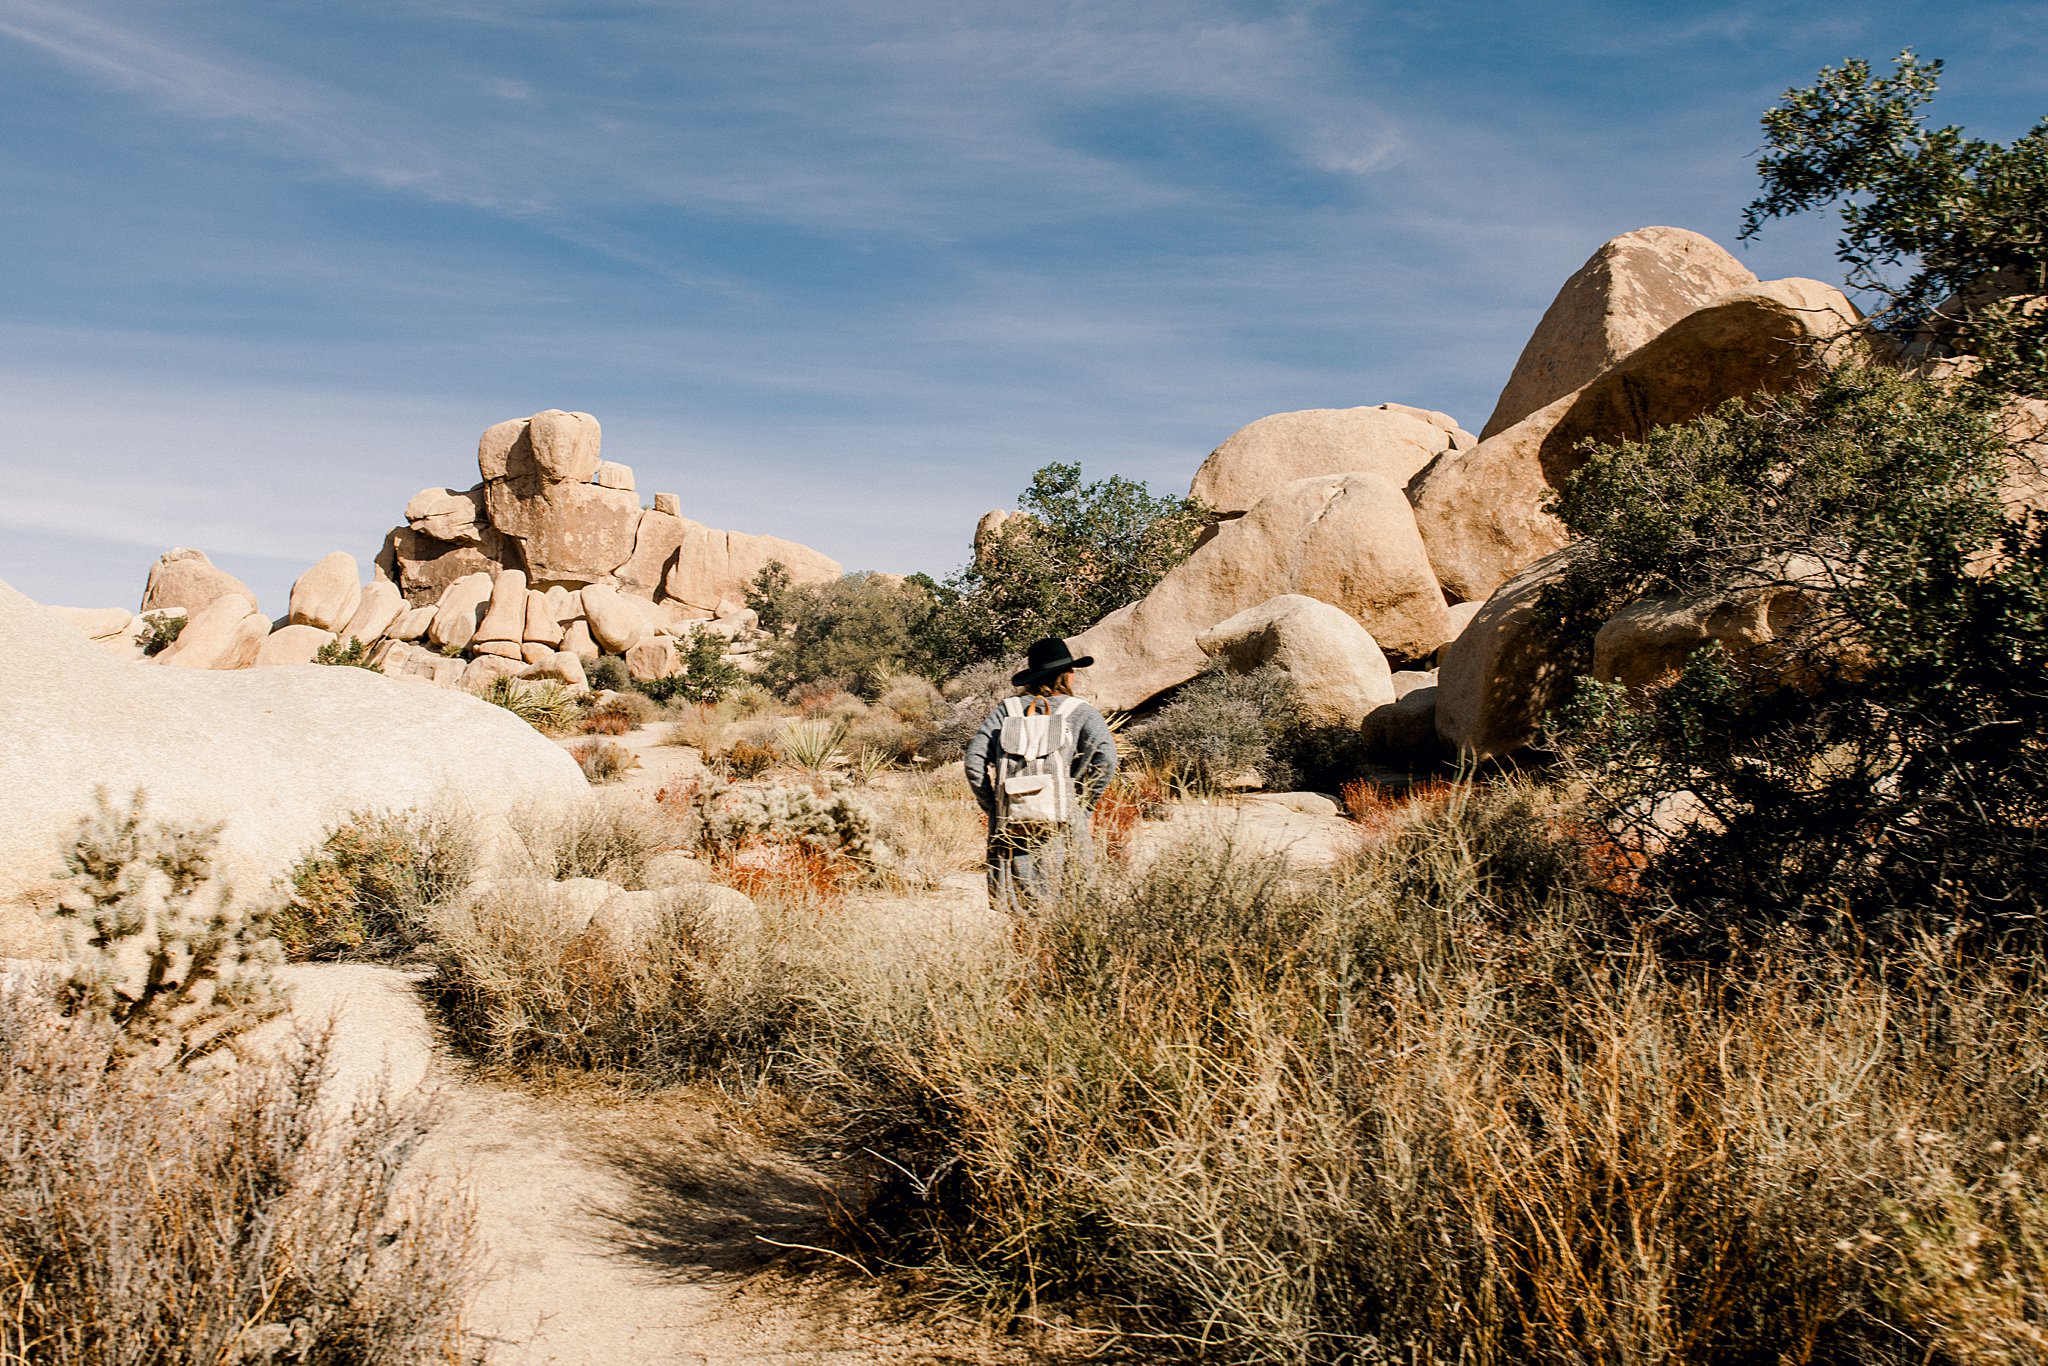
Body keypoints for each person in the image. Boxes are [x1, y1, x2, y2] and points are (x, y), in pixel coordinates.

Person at [963, 637, 1118, 912]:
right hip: (1064, 826)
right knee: (1071, 908)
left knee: (1020, 914)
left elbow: (974, 760)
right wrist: (1081, 805)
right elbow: (1106, 759)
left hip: (1011, 827)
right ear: (1067, 675)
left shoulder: (1006, 711)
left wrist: (995, 807)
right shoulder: (1081, 712)